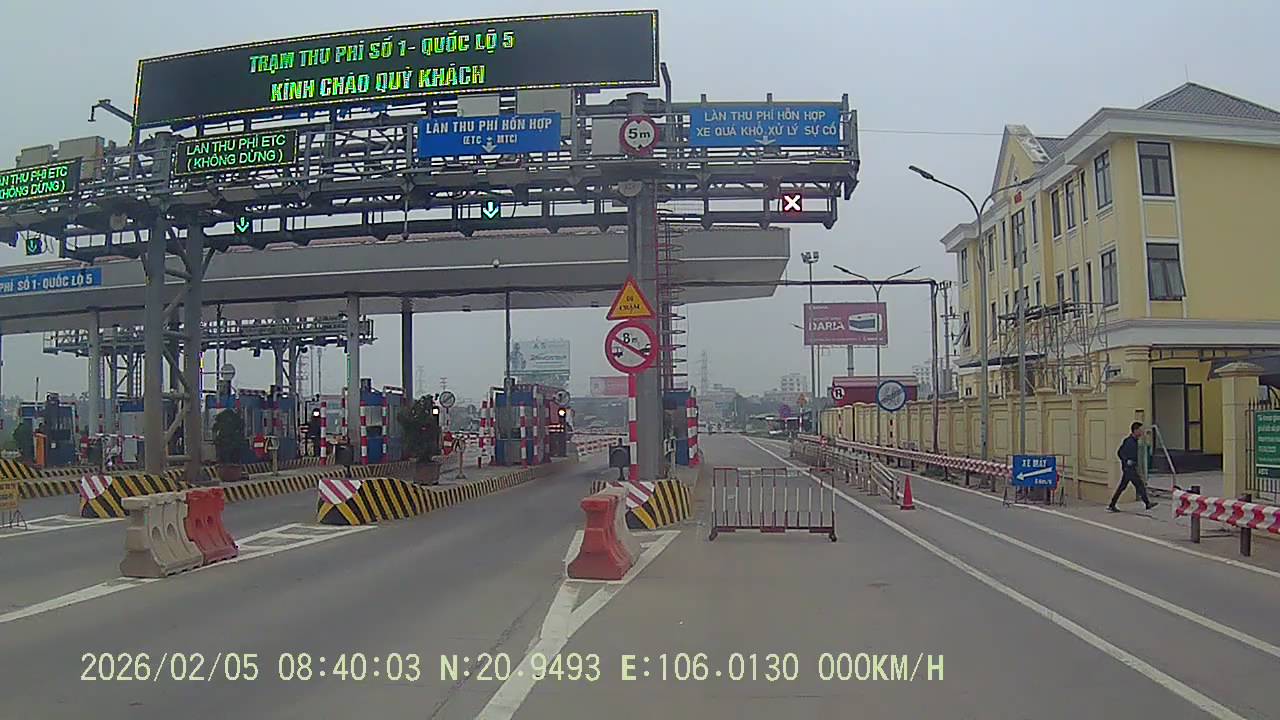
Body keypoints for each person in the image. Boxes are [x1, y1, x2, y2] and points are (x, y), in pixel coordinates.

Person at [1109, 421, 1157, 512]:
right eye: (1140, 430)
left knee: (1123, 486)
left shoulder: (1134, 441)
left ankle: (1112, 504)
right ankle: (1147, 503)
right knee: (1139, 485)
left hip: (1130, 468)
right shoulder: (1129, 441)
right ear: (1135, 430)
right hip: (1129, 468)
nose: (1141, 432)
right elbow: (1120, 452)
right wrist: (1126, 461)